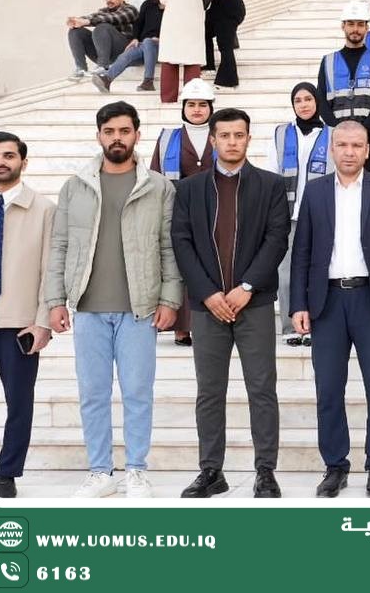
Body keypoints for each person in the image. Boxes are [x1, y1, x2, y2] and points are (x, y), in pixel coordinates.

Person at [44, 101, 182, 498]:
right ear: (99, 135)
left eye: (124, 130)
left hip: (139, 308)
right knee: (93, 392)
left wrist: (170, 297)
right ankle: (100, 471)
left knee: (138, 391)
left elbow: (168, 247)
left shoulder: (158, 186)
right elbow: (60, 245)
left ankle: (137, 469)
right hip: (88, 307)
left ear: (137, 134)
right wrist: (55, 299)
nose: (116, 138)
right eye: (109, 131)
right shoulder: (76, 185)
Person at [173, 108, 291, 500]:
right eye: (224, 135)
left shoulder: (270, 185)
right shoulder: (189, 189)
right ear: (212, 140)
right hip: (208, 308)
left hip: (253, 304)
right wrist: (208, 293)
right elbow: (182, 243)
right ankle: (211, 471)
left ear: (248, 138)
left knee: (262, 389)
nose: (231, 142)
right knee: (209, 391)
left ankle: (266, 472)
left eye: (239, 135)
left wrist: (246, 287)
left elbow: (276, 240)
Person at [290, 120, 370, 499]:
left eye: (357, 145)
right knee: (328, 390)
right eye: (342, 144)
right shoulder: (315, 191)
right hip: (326, 303)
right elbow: (302, 251)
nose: (349, 152)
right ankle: (335, 466)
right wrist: (298, 304)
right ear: (331, 148)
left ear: (368, 150)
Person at [0, 131, 56, 499]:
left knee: (20, 401)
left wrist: (43, 321)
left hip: (18, 323)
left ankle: (7, 472)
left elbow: (51, 269)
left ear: (23, 162)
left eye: (8, 155)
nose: (0, 161)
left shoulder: (45, 209)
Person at [150, 77, 216, 346]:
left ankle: (210, 322)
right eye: (191, 104)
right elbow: (155, 176)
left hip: (214, 213)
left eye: (202, 104)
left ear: (211, 107)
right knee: (179, 266)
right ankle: (182, 327)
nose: (197, 109)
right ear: (183, 107)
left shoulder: (221, 134)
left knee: (210, 267)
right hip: (177, 213)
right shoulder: (168, 138)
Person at [269, 83, 333, 346]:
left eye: (308, 99)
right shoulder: (281, 134)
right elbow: (272, 174)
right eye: (298, 100)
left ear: (317, 101)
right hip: (288, 214)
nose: (304, 104)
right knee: (286, 272)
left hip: (321, 215)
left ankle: (316, 324)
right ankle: (290, 325)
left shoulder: (333, 134)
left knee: (318, 271)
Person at [318, 1, 370, 173]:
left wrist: (362, 129)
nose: (355, 29)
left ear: (367, 28)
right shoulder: (328, 61)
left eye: (360, 24)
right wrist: (339, 129)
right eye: (350, 24)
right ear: (343, 26)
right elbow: (321, 100)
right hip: (337, 135)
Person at [157, 0, 208, 103]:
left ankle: (168, 99)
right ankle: (191, 100)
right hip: (194, 22)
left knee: (170, 60)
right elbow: (208, 0)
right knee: (192, 61)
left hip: (172, 22)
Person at [91, 0, 161, 93]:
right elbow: (138, 23)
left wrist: (162, 39)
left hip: (161, 47)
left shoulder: (173, 8)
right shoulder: (147, 5)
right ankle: (107, 79)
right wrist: (135, 38)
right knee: (128, 52)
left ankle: (148, 81)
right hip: (144, 45)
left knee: (148, 41)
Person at [197, 0, 246, 90]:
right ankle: (208, 65)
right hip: (222, 11)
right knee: (204, 31)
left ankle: (228, 79)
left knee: (225, 44)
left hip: (228, 12)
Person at [65, 0, 138, 80]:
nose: (109, 0)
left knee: (102, 26)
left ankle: (103, 66)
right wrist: (76, 20)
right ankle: (81, 68)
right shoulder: (103, 11)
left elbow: (112, 18)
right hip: (103, 52)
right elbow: (92, 17)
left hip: (123, 50)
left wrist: (86, 21)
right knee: (75, 31)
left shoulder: (130, 10)